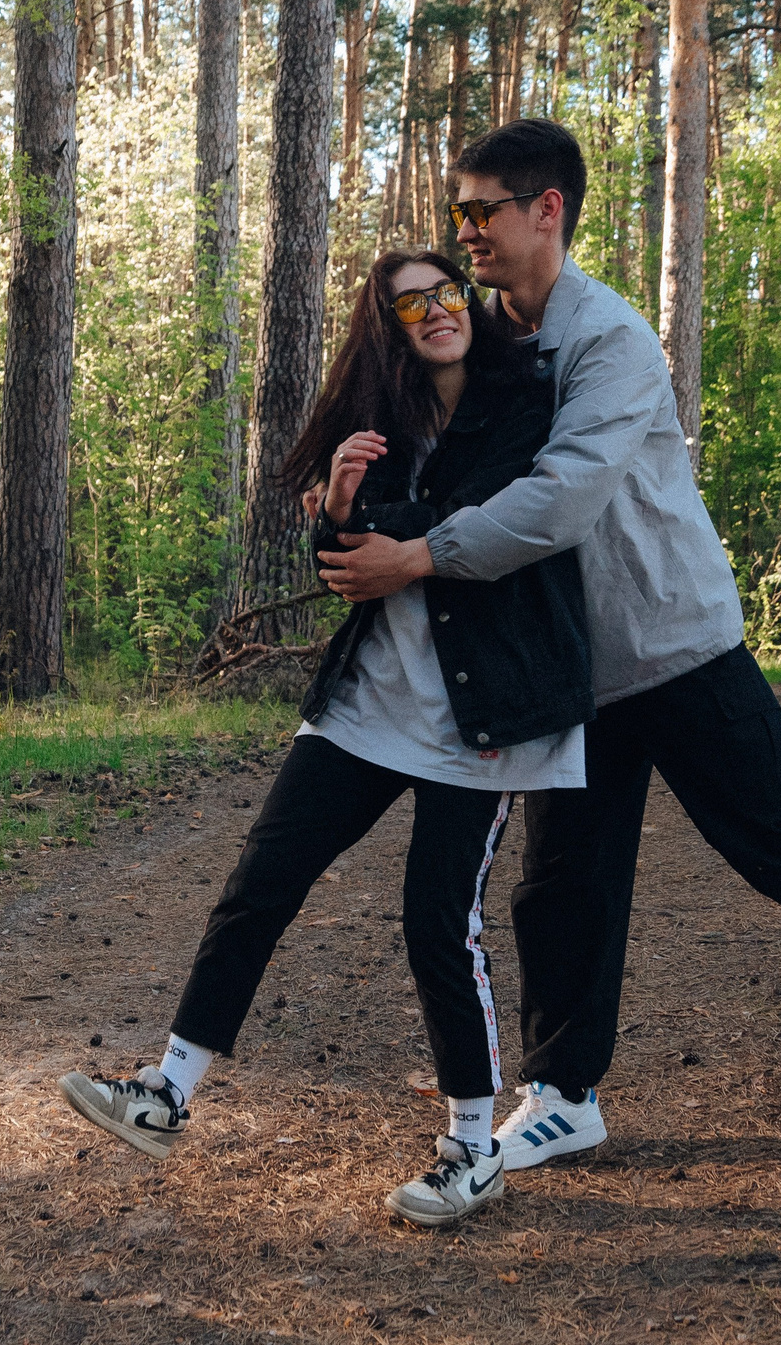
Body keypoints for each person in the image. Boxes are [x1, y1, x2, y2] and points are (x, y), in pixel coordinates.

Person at [314, 118, 781, 1161]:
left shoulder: (608, 339)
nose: (463, 232)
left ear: (545, 209)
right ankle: (564, 1092)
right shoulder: (484, 337)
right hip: (570, 668)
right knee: (564, 882)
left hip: (676, 644)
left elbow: (559, 500)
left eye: (481, 211)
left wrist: (415, 561)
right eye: (456, 212)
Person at [61, 248, 593, 1226]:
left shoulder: (523, 395)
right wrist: (343, 511)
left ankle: (471, 1147)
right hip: (370, 701)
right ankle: (167, 1090)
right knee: (260, 879)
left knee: (439, 919)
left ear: (467, 302)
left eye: (445, 293)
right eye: (409, 305)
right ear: (386, 329)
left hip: (486, 707)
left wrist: (371, 521)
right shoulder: (384, 423)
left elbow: (475, 524)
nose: (435, 312)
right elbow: (353, 559)